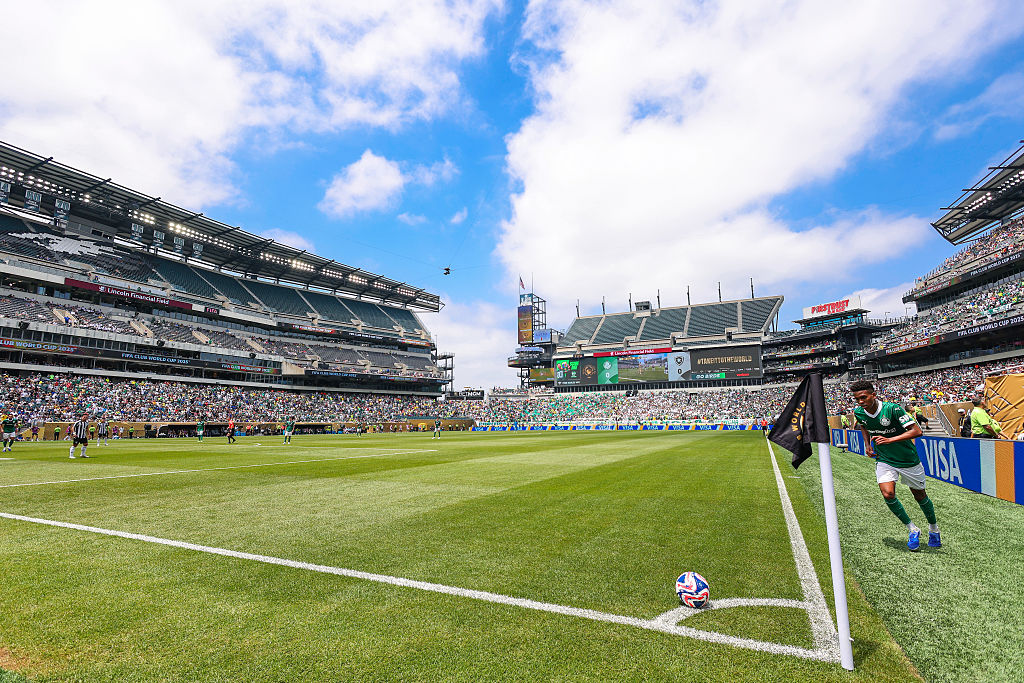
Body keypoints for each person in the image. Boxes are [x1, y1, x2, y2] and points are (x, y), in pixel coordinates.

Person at [850, 380, 940, 551]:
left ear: (873, 395)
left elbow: (917, 431)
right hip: (884, 459)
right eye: (857, 399)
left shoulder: (892, 409)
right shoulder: (859, 412)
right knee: (888, 493)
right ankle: (912, 529)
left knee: (920, 496)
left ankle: (934, 529)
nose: (860, 402)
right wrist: (868, 445)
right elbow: (864, 426)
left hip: (908, 459)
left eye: (863, 397)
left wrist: (890, 439)